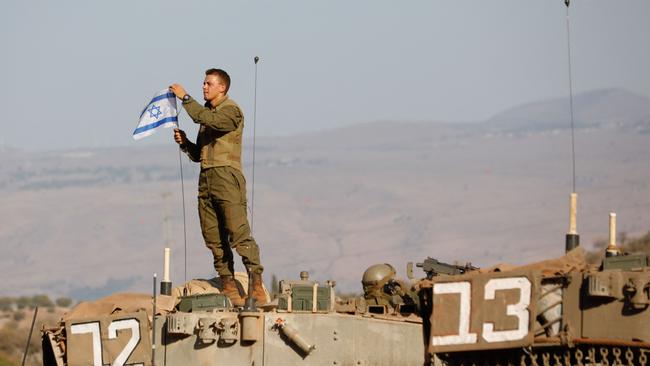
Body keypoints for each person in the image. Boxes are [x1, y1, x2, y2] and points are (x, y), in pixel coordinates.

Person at [169, 68, 265, 306]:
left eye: (209, 83)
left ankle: (257, 286)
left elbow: (209, 119)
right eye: (203, 83)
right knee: (214, 237)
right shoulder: (206, 116)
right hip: (207, 178)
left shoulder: (230, 111)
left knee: (238, 233)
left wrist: (185, 98)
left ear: (222, 87)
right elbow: (199, 154)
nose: (204, 87)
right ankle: (229, 285)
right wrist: (186, 143)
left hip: (227, 178)